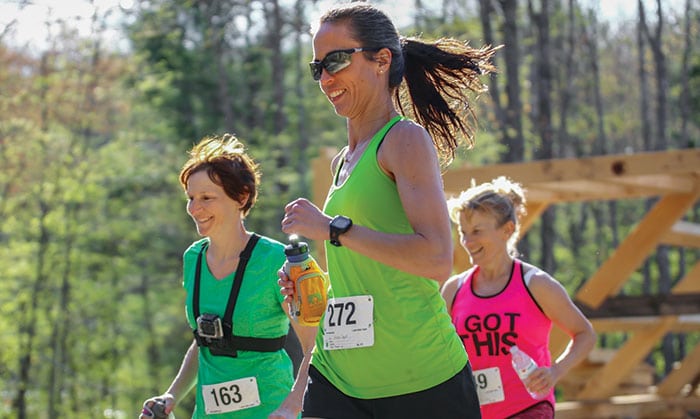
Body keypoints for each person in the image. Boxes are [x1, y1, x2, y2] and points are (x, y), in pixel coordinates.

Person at [278, 2, 498, 418]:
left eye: (337, 61)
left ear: (381, 61)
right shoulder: (342, 160)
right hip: (339, 375)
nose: (325, 78)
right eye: (317, 67)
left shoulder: (404, 140)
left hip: (420, 379)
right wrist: (313, 283)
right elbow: (371, 267)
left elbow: (436, 259)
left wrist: (334, 229)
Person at [140, 134, 316, 419]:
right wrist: (172, 394)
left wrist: (292, 406)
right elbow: (205, 341)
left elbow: (314, 347)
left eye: (207, 198)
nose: (195, 209)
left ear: (241, 197)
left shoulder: (277, 260)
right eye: (191, 198)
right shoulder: (193, 259)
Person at [441, 176, 597, 419]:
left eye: (477, 231)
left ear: (507, 230)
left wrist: (555, 371)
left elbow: (585, 334)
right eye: (463, 232)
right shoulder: (453, 290)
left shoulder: (536, 284)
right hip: (474, 411)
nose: (467, 242)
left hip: (529, 407)